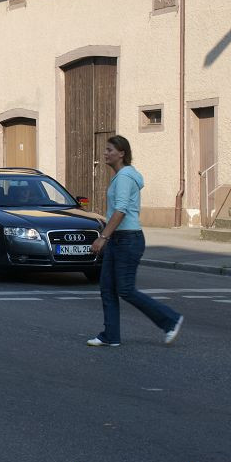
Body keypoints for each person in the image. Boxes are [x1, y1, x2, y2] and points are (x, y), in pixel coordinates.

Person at [87, 135, 184, 348]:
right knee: (107, 288)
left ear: (121, 153)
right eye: (105, 149)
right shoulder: (122, 176)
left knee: (125, 289)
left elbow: (120, 210)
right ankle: (110, 335)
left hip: (127, 239)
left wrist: (102, 237)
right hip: (119, 239)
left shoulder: (124, 177)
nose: (105, 153)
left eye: (109, 149)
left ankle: (170, 320)